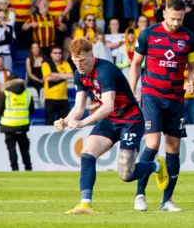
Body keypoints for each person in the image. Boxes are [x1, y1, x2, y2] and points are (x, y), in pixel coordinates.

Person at [55, 38, 168, 215]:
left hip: (130, 120)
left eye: (83, 61)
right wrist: (66, 119)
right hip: (111, 120)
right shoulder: (79, 74)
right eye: (75, 62)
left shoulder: (105, 71)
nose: (79, 65)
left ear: (92, 55)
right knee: (87, 154)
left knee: (126, 174)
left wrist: (83, 123)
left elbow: (107, 106)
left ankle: (157, 166)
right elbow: (79, 107)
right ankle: (85, 204)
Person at [129, 0, 194, 212]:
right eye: (173, 19)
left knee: (174, 147)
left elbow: (193, 67)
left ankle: (166, 200)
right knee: (151, 143)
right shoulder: (148, 34)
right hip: (151, 94)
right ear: (165, 13)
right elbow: (136, 63)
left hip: (175, 98)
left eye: (180, 19)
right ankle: (140, 194)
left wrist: (190, 81)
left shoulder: (189, 38)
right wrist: (133, 90)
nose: (176, 23)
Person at [0, 78, 34, 172]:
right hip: (23, 125)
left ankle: (15, 168)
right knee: (24, 149)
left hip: (8, 125)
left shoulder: (6, 94)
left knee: (11, 149)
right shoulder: (28, 94)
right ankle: (28, 167)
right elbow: (31, 110)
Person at [42, 46, 71, 125]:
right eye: (55, 53)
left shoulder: (65, 63)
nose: (58, 55)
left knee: (65, 123)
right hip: (50, 98)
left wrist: (54, 74)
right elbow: (48, 78)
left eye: (60, 53)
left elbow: (70, 75)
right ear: (51, 54)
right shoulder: (46, 64)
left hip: (63, 98)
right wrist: (63, 75)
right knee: (49, 122)